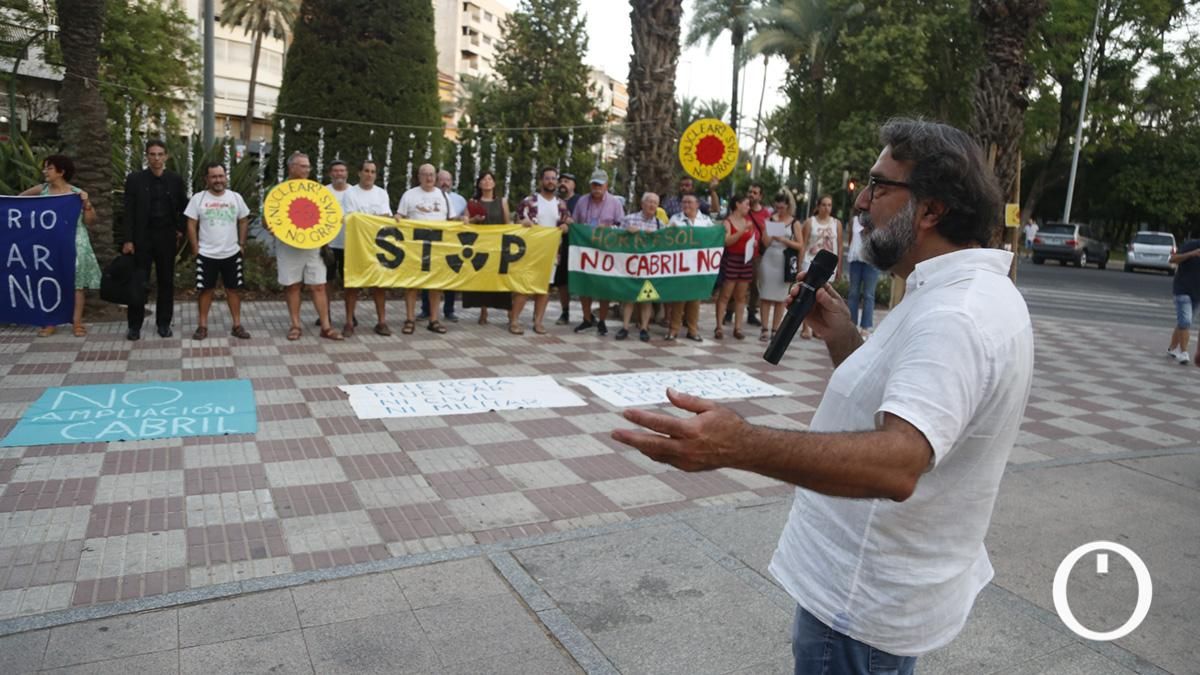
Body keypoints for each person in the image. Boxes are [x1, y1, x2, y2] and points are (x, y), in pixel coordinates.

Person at [612, 119, 1032, 674]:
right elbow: (908, 405)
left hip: (861, 604)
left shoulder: (954, 315)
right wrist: (844, 338)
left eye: (880, 186)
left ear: (930, 210)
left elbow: (899, 464)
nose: (861, 201)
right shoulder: (959, 292)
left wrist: (739, 446)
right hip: (874, 590)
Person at [20, 155, 100, 338]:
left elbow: (90, 221)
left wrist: (86, 204)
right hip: (49, 244)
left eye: (49, 168)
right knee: (49, 281)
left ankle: (77, 322)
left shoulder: (76, 193)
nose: (44, 172)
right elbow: (18, 202)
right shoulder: (42, 190)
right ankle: (50, 322)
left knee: (76, 284)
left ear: (61, 172)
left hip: (75, 242)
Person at [117, 140, 188, 340]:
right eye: (152, 154)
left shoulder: (175, 180)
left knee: (166, 282)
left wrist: (180, 230)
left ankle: (164, 323)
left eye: (160, 154)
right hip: (141, 238)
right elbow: (128, 211)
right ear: (146, 156)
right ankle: (134, 326)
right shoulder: (135, 179)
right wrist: (128, 240)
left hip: (166, 237)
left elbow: (185, 207)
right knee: (139, 282)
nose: (156, 158)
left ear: (166, 156)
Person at [276, 152, 342, 341]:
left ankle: (326, 327)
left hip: (313, 246)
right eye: (303, 166)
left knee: (319, 286)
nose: (307, 170)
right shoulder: (279, 191)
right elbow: (268, 219)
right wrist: (271, 226)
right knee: (293, 286)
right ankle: (295, 325)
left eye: (308, 167)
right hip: (288, 246)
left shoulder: (316, 190)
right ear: (292, 167)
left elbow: (327, 216)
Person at [185, 163, 251, 341]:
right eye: (213, 177)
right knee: (205, 290)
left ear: (225, 177)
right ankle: (202, 326)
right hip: (206, 254)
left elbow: (244, 220)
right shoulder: (198, 199)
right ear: (206, 179)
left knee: (234, 290)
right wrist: (195, 248)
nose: (218, 180)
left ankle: (237, 325)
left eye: (221, 176)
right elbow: (191, 224)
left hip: (231, 253)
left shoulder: (235, 197)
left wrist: (242, 244)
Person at [396, 163, 459, 335]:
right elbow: (399, 216)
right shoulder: (409, 195)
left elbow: (452, 220)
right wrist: (397, 218)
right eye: (425, 174)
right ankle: (409, 319)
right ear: (419, 176)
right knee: (411, 285)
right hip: (414, 248)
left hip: (437, 248)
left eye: (432, 174)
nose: (429, 178)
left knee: (435, 286)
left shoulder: (444, 196)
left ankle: (434, 320)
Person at [341, 160, 394, 336]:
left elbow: (386, 218)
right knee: (352, 285)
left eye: (373, 171)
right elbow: (351, 218)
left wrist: (370, 219)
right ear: (359, 173)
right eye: (366, 171)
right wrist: (373, 218)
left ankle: (381, 322)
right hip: (356, 247)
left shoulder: (382, 194)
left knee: (379, 285)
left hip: (377, 247)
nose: (369, 174)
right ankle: (349, 322)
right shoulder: (350, 193)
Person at [514, 166, 569, 334]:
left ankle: (538, 322)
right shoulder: (529, 201)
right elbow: (517, 221)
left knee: (544, 288)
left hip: (551, 253)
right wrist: (522, 222)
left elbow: (566, 223)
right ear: (541, 181)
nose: (550, 181)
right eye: (547, 178)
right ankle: (515, 320)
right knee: (524, 286)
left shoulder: (561, 204)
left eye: (553, 178)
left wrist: (566, 227)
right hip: (529, 251)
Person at [571, 169, 625, 336]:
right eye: (594, 184)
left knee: (604, 285)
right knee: (584, 284)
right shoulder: (582, 201)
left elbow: (621, 226)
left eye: (600, 185)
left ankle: (601, 320)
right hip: (585, 249)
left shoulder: (615, 203)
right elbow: (576, 223)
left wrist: (608, 228)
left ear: (606, 185)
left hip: (605, 251)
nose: (596, 187)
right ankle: (587, 319)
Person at [464, 171, 514, 328]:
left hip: (499, 246)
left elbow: (508, 224)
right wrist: (474, 220)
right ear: (479, 184)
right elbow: (465, 223)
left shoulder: (502, 201)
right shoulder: (472, 202)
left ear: (494, 183)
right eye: (484, 179)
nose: (487, 182)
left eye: (490, 179)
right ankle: (483, 311)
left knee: (503, 279)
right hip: (480, 246)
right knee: (482, 278)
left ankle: (510, 312)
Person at [420, 169, 468, 322]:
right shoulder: (427, 196)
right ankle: (426, 309)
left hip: (451, 244)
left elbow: (465, 218)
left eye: (448, 180)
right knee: (427, 276)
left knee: (450, 277)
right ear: (436, 180)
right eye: (442, 179)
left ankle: (449, 310)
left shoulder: (460, 200)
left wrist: (465, 219)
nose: (445, 183)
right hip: (431, 242)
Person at [665, 194, 714, 341]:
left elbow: (712, 239)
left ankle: (692, 330)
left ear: (697, 204)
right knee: (678, 299)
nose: (686, 204)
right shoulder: (675, 219)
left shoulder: (706, 221)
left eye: (689, 202)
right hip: (680, 266)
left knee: (695, 300)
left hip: (698, 267)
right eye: (684, 201)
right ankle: (673, 329)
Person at [613, 192, 661, 342]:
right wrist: (626, 233)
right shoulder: (629, 219)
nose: (652, 205)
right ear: (642, 204)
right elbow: (616, 239)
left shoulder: (660, 224)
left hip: (649, 267)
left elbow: (665, 244)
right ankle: (625, 327)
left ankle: (644, 328)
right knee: (629, 297)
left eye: (655, 202)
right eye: (649, 202)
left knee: (647, 298)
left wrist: (656, 235)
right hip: (631, 265)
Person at [757, 191, 804, 342]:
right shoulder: (771, 219)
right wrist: (771, 228)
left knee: (780, 297)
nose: (780, 210)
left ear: (788, 206)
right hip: (770, 258)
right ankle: (764, 328)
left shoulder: (794, 222)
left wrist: (784, 239)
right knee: (765, 295)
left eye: (782, 207)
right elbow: (765, 242)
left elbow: (800, 244)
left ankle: (775, 328)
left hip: (785, 260)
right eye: (777, 207)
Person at [799, 195, 844, 339]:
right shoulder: (810, 222)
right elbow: (804, 244)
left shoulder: (836, 224)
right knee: (807, 296)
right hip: (811, 262)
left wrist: (839, 267)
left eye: (829, 205)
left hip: (828, 265)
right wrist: (800, 264)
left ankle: (818, 328)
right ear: (818, 206)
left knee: (823, 297)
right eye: (824, 205)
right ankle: (806, 327)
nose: (827, 208)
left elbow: (840, 246)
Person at [714, 194, 755, 340]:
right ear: (737, 204)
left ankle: (738, 327)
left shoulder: (748, 221)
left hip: (745, 260)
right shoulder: (727, 222)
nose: (748, 208)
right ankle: (719, 326)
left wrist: (753, 242)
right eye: (746, 204)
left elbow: (751, 238)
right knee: (725, 294)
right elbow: (727, 241)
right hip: (731, 259)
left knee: (741, 296)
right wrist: (741, 231)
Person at [320, 160, 353, 331]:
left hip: (351, 245)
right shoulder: (323, 192)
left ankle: (350, 314)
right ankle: (326, 313)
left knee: (350, 282)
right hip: (329, 245)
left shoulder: (355, 193)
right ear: (330, 173)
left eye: (342, 170)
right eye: (336, 171)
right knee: (327, 282)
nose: (339, 174)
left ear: (347, 173)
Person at [845, 213, 880, 338]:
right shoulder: (854, 220)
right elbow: (850, 239)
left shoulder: (878, 219)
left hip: (871, 261)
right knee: (853, 293)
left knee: (869, 294)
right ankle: (852, 324)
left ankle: (866, 326)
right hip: (856, 260)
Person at [553, 172, 582, 325]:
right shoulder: (554, 201)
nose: (563, 184)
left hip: (576, 245)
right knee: (561, 281)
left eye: (567, 181)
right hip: (557, 246)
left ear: (574, 185)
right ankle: (565, 312)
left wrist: (573, 223)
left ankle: (588, 314)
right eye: (561, 181)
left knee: (581, 278)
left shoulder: (580, 201)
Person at [1166, 238, 1200, 365]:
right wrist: (1191, 254)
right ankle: (1184, 352)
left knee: (1183, 321)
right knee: (1185, 321)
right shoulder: (1192, 245)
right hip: (1182, 290)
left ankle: (1172, 348)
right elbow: (1173, 259)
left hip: (1197, 293)